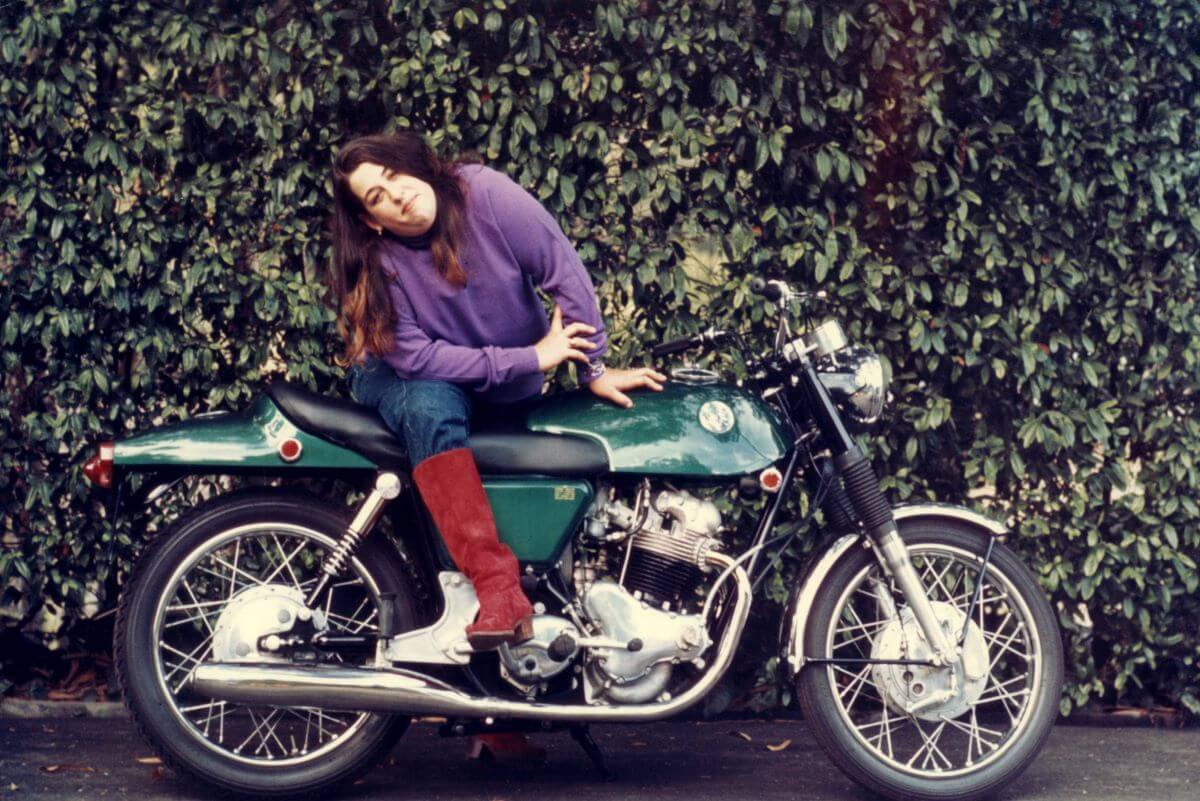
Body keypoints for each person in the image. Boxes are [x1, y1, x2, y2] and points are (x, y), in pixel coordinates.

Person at [326, 131, 667, 650]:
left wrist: (592, 367)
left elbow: (561, 267)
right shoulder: (380, 265)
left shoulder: (483, 194)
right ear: (371, 220)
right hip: (406, 379)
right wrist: (530, 358)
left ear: (412, 166)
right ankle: (498, 590)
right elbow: (418, 359)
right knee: (429, 402)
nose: (395, 195)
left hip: (501, 383)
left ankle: (499, 721)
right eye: (376, 197)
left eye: (394, 175)